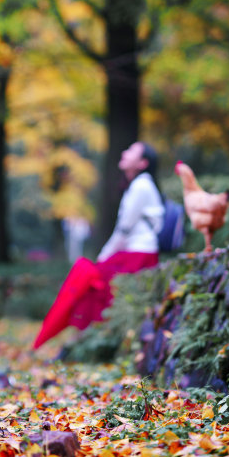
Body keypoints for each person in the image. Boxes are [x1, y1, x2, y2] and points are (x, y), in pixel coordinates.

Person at [33, 141, 164, 350]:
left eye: (131, 151)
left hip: (139, 254)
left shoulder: (141, 186)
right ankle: (82, 340)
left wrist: (103, 256)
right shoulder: (138, 185)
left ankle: (82, 341)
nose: (124, 152)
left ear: (143, 163)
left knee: (91, 279)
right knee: (91, 282)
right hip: (133, 252)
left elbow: (124, 229)